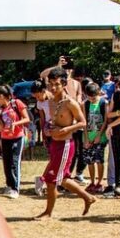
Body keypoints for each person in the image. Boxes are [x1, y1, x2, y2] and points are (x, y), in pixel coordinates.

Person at [33, 68, 96, 217]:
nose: (53, 88)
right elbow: (51, 122)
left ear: (63, 84)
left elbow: (82, 123)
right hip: (55, 144)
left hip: (66, 144)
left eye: (56, 84)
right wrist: (48, 130)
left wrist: (66, 129)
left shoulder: (70, 103)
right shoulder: (50, 102)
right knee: (63, 179)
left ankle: (48, 212)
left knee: (50, 178)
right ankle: (88, 197)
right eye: (51, 84)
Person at [0, 85, 30, 199]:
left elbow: (27, 118)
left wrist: (15, 124)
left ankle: (15, 188)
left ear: (2, 96)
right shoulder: (0, 109)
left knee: (14, 162)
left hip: (17, 137)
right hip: (5, 138)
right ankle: (9, 185)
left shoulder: (16, 103)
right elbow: (1, 129)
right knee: (6, 163)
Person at [82, 82, 108, 193]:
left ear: (98, 93)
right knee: (90, 161)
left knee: (99, 160)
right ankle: (92, 181)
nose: (92, 99)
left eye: (94, 97)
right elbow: (84, 121)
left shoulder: (103, 103)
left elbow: (105, 120)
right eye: (90, 97)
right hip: (88, 135)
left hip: (100, 137)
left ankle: (100, 182)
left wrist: (99, 135)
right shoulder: (85, 104)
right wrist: (86, 138)